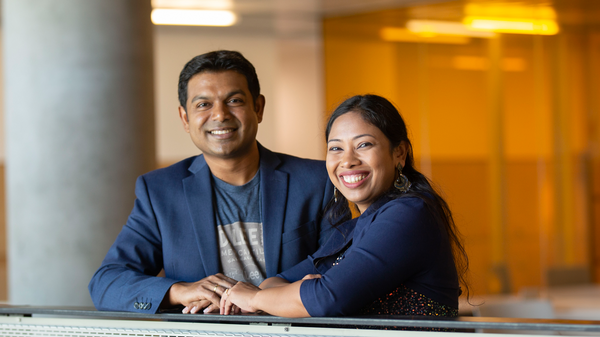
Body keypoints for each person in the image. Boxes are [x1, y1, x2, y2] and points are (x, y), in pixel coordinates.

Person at [88, 50, 333, 314]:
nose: (220, 115)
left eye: (234, 100)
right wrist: (180, 291)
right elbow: (106, 282)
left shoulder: (317, 181)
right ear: (185, 118)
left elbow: (341, 266)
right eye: (203, 104)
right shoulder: (160, 192)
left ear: (258, 107)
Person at [219, 94, 469, 318]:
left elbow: (326, 299)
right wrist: (301, 292)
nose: (347, 161)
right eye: (336, 148)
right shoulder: (352, 229)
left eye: (364, 145)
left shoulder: (410, 214)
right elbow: (276, 282)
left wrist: (254, 298)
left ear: (399, 153)